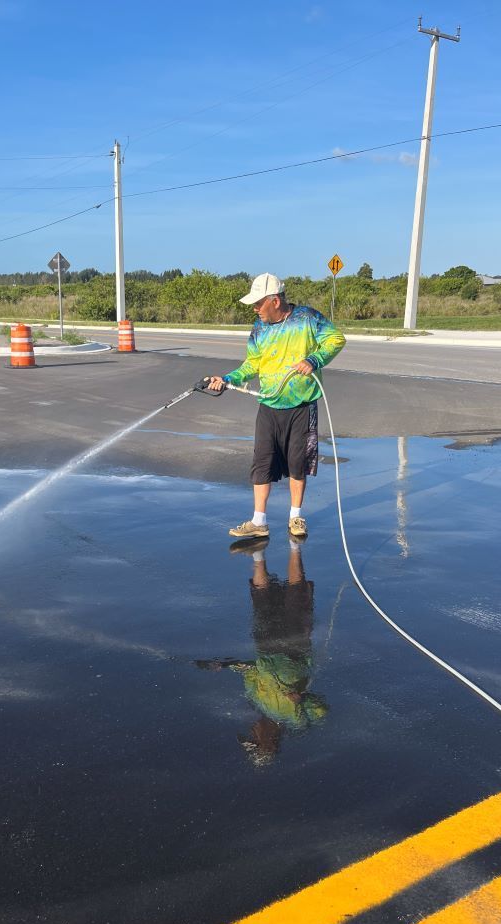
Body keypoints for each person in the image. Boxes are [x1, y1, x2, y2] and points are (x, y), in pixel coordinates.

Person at [208, 272, 345, 540]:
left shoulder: (307, 318)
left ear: (275, 300)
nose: (255, 309)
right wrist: (226, 379)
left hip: (301, 405)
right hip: (269, 404)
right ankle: (259, 521)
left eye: (258, 303)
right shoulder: (259, 329)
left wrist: (314, 360)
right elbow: (252, 364)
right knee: (262, 461)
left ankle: (296, 517)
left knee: (297, 462)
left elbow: (336, 339)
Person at [195, 540, 328, 766]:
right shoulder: (295, 724)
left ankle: (258, 553)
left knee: (262, 599)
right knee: (296, 594)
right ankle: (295, 546)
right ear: (269, 742)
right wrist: (300, 701)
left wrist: (226, 665)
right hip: (295, 649)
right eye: (254, 737)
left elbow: (251, 671)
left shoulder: (255, 700)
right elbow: (322, 711)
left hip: (266, 647)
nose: (252, 730)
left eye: (250, 736)